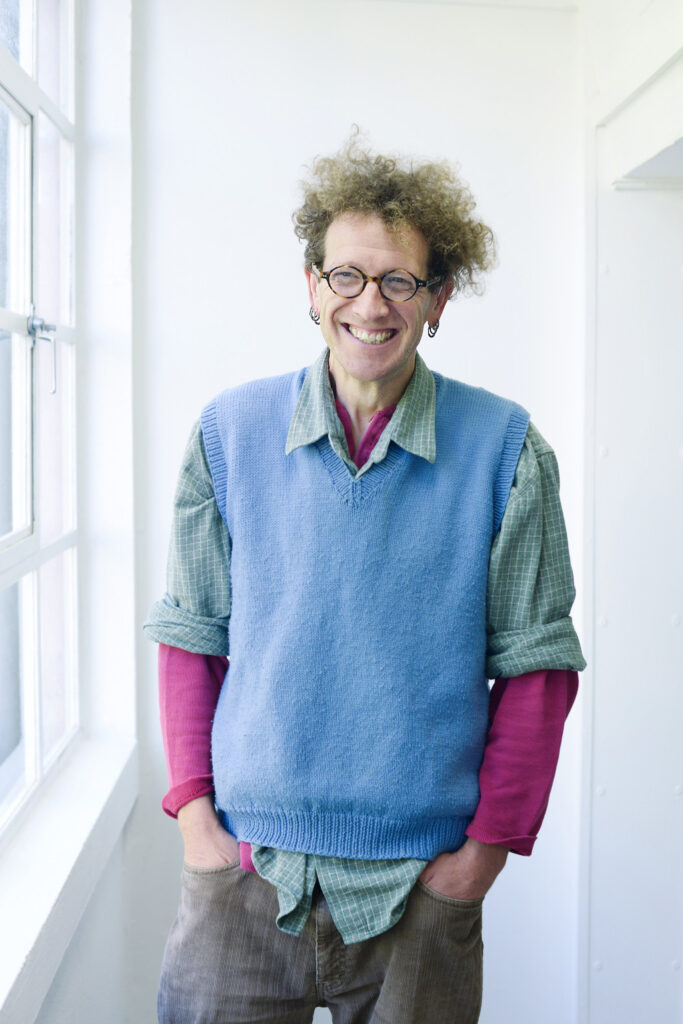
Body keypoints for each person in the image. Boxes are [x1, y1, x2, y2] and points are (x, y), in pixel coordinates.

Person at [145, 135, 585, 1024]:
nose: (370, 304)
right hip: (243, 870)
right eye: (346, 276)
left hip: (422, 890)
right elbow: (192, 637)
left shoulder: (506, 451)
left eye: (399, 281)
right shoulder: (227, 435)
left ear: (438, 299)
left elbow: (539, 670)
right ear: (310, 287)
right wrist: (197, 823)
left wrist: (480, 860)